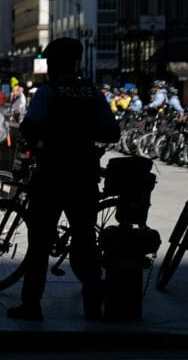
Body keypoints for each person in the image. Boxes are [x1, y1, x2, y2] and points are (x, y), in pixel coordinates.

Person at [6, 38, 119, 322]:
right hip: (84, 174)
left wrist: (44, 140)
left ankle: (32, 305)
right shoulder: (92, 92)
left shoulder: (49, 91)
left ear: (53, 65)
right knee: (85, 239)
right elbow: (112, 132)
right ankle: (93, 304)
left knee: (40, 242)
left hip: (51, 174)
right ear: (77, 62)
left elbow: (30, 126)